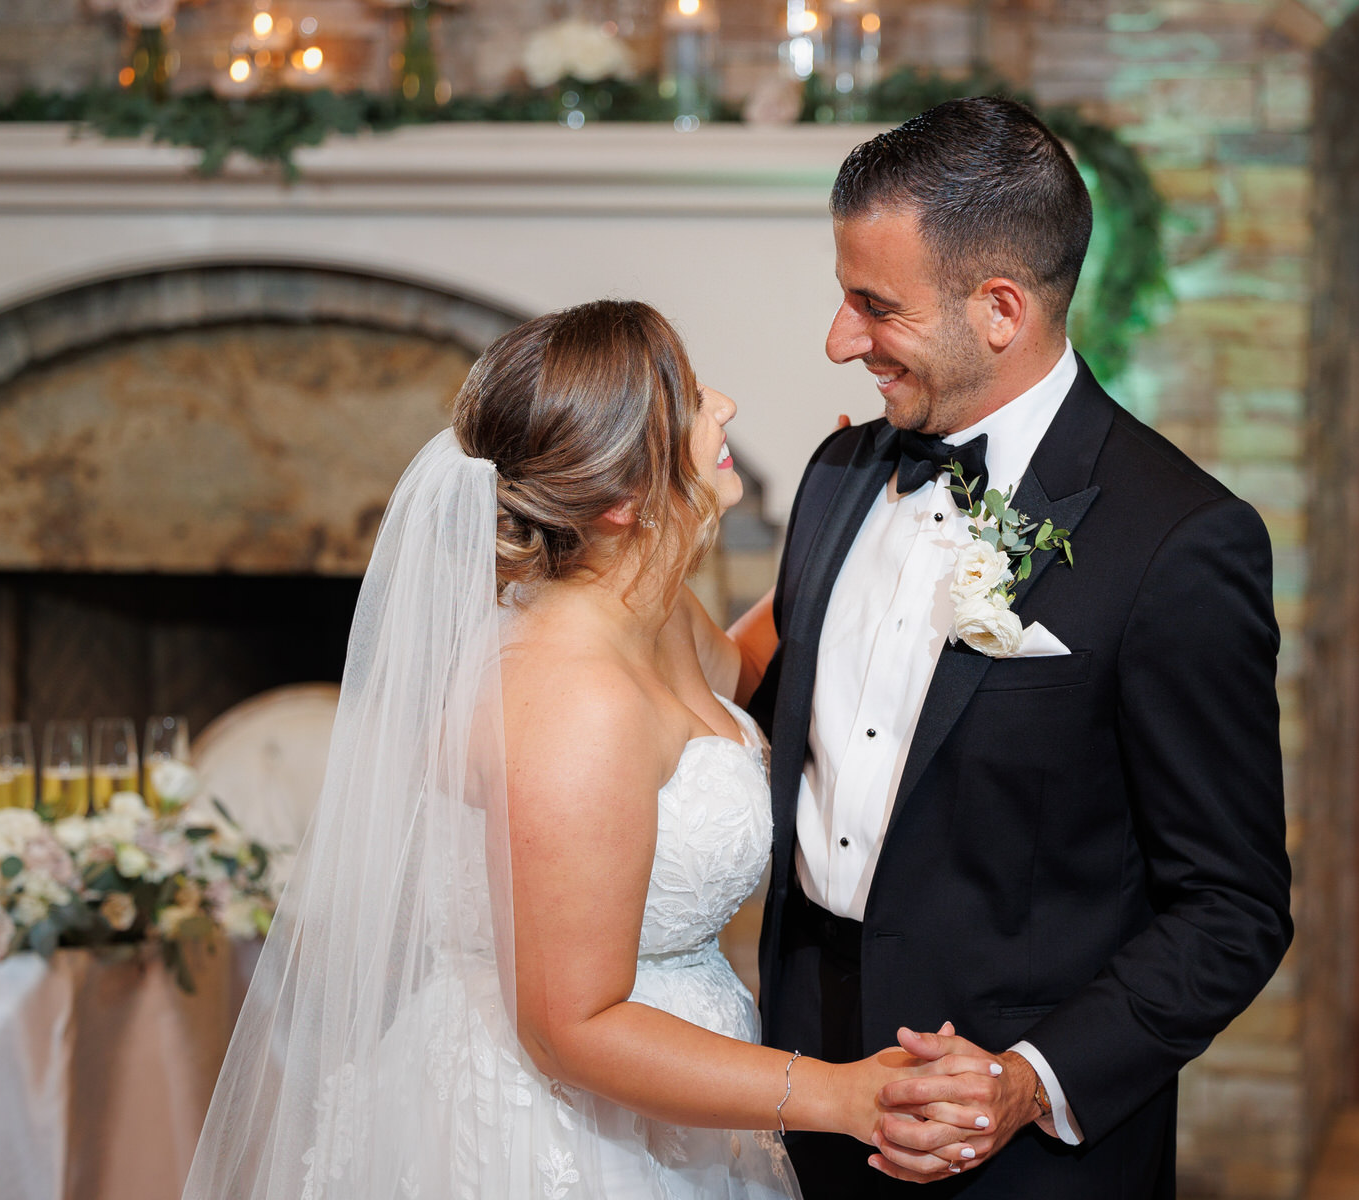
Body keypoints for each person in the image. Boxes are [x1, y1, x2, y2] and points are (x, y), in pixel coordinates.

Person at [182, 300, 993, 1200]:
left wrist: (856, 527)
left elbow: (753, 666)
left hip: (675, 1094)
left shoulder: (647, 604)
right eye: (684, 401)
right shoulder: (575, 700)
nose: (721, 405)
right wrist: (844, 1096)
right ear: (621, 502)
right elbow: (572, 1027)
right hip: (563, 1127)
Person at [746, 97, 1294, 1198]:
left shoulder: (1180, 541)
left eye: (874, 305)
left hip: (1023, 1155)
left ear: (999, 309)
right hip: (801, 1087)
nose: (838, 340)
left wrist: (1029, 1080)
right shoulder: (838, 475)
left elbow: (1232, 910)